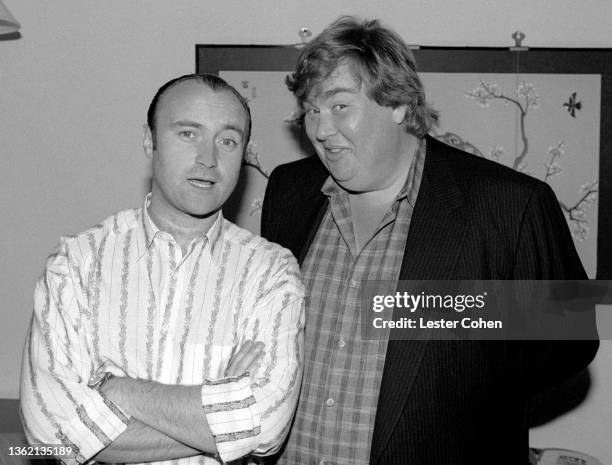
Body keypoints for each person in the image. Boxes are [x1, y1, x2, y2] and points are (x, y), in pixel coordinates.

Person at [261, 16, 599, 465]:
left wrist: (430, 327)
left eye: (340, 106)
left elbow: (570, 342)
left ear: (398, 103)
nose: (321, 130)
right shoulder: (289, 191)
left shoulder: (511, 204)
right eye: (311, 110)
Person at [20, 74, 304, 465]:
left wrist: (116, 390)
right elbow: (50, 436)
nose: (208, 158)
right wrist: (223, 406)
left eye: (228, 141)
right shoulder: (77, 264)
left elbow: (267, 427)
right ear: (149, 140)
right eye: (188, 134)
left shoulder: (271, 273)